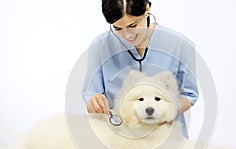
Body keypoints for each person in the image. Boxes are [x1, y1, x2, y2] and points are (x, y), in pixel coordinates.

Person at [82, 0, 198, 137]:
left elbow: (189, 95)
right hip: (119, 138)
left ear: (147, 9)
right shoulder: (99, 46)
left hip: (166, 138)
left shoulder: (180, 45)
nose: (127, 35)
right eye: (118, 28)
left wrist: (166, 112)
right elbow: (91, 94)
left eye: (133, 25)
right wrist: (94, 102)